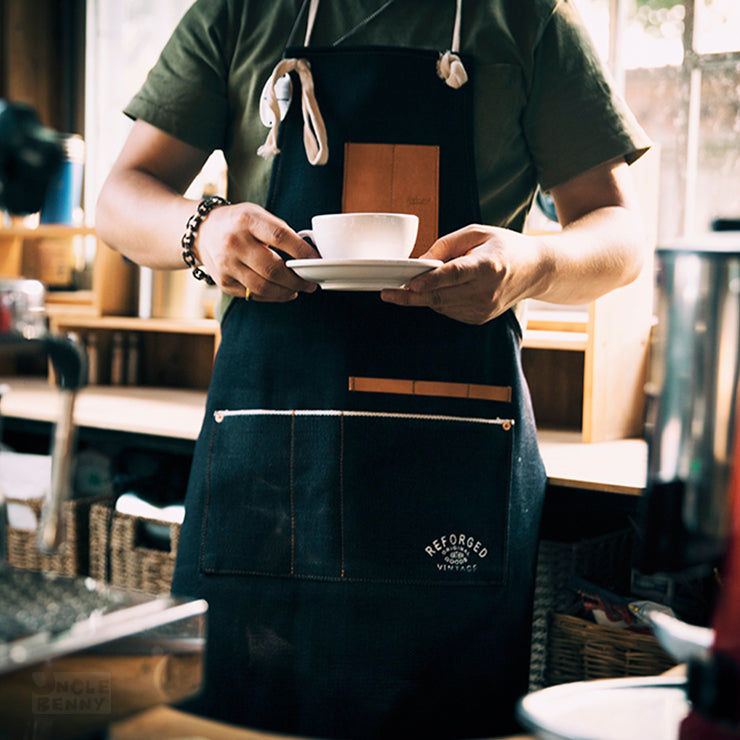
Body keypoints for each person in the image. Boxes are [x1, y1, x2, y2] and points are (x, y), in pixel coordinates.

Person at [96, 1, 651, 737]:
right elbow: (121, 195)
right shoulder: (238, 13)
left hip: (454, 464)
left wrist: (533, 261)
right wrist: (200, 231)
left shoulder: (527, 20)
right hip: (270, 460)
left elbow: (619, 233)